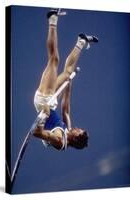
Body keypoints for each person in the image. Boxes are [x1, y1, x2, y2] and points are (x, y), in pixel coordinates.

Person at [33, 9, 98, 150]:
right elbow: (66, 110)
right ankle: (81, 42)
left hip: (44, 100)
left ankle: (52, 19)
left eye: (78, 130)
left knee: (54, 60)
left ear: (75, 138)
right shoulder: (66, 132)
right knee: (68, 73)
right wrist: (68, 84)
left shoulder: (59, 140)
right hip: (51, 101)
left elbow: (37, 133)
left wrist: (42, 117)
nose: (77, 127)